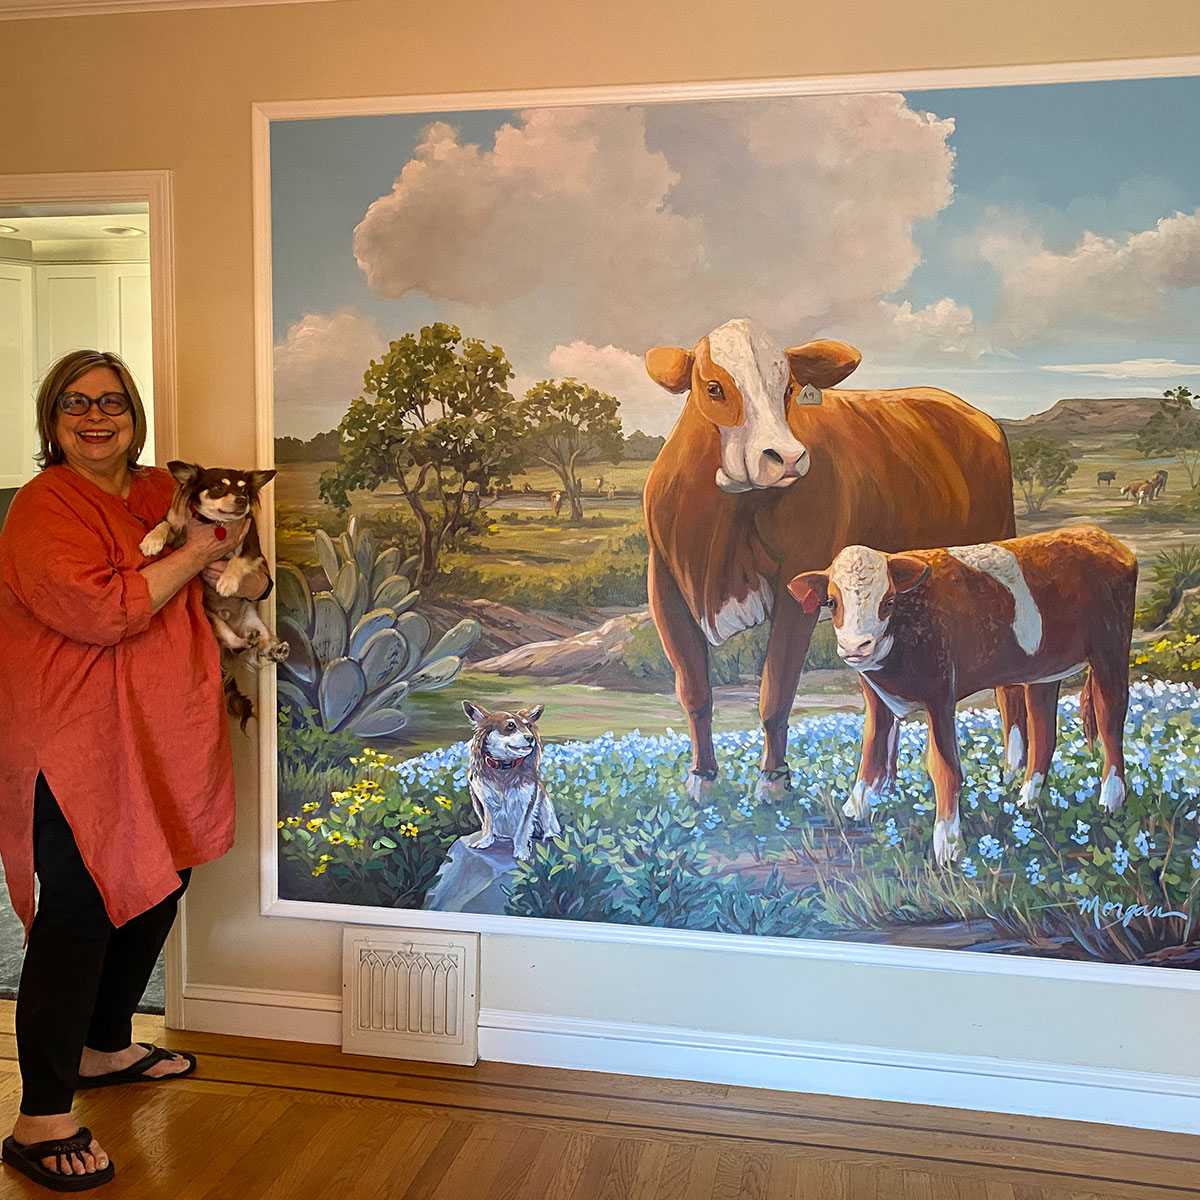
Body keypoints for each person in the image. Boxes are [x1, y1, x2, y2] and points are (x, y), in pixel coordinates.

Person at [0, 350, 269, 1191]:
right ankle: (40, 1116)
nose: (94, 415)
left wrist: (233, 563)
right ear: (52, 418)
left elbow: (239, 574)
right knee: (79, 908)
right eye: (75, 402)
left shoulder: (162, 490)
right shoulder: (42, 508)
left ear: (134, 413)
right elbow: (104, 609)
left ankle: (104, 1045)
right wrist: (201, 551)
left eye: (111, 401)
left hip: (167, 727)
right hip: (75, 736)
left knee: (163, 880)